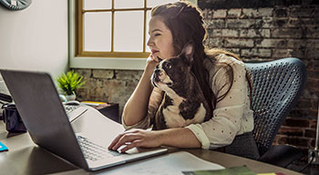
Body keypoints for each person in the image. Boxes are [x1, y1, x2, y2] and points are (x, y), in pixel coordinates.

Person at [108, 1, 260, 160]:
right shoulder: (166, 73)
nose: (149, 43)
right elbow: (133, 124)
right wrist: (148, 71)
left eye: (157, 34)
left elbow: (224, 130)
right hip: (183, 154)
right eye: (149, 35)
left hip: (231, 155)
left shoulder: (226, 69)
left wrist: (157, 137)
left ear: (182, 37)